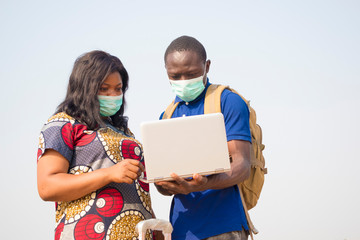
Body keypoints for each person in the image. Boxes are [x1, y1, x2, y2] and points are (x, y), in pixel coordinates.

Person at [37, 50, 157, 240]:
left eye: (118, 89)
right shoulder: (63, 125)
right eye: (104, 88)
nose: (113, 95)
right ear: (84, 88)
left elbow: (138, 193)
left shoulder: (124, 133)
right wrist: (109, 174)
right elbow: (47, 187)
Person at [155, 36, 252, 240]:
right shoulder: (167, 116)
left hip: (223, 227)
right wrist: (161, 182)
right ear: (166, 71)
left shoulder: (228, 101)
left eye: (191, 74)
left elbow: (242, 165)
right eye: (175, 75)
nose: (183, 81)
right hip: (181, 230)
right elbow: (165, 189)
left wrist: (204, 184)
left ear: (207, 66)